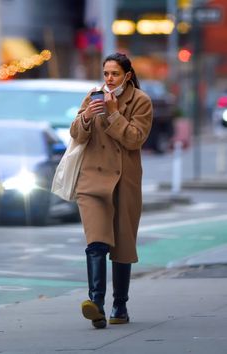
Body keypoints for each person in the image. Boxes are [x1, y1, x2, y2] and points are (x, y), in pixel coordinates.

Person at [70, 52, 153, 329]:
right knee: (96, 242)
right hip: (92, 181)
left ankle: (120, 305)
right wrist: (85, 118)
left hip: (123, 181)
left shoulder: (141, 101)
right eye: (106, 73)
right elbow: (76, 134)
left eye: (114, 74)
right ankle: (96, 304)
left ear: (127, 76)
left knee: (121, 245)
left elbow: (135, 139)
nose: (109, 79)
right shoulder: (93, 96)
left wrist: (114, 114)